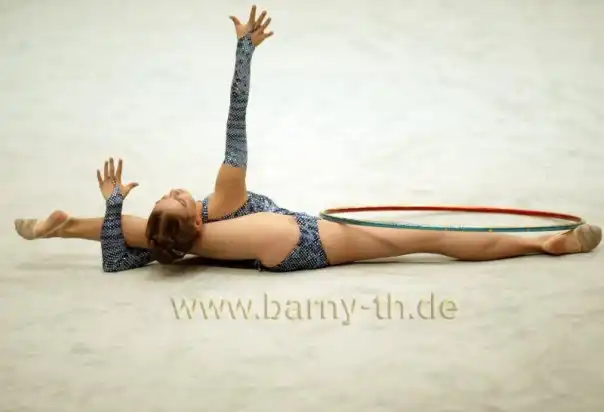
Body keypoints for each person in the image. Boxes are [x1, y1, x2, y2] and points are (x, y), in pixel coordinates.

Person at [14, 6, 602, 273]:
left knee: (135, 229)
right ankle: (549, 244)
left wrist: (110, 208)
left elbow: (122, 247)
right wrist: (244, 52)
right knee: (429, 236)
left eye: (167, 195)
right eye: (178, 197)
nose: (173, 190)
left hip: (277, 241)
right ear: (194, 215)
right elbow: (235, 122)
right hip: (307, 239)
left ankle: (55, 227)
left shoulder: (172, 239)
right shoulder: (222, 199)